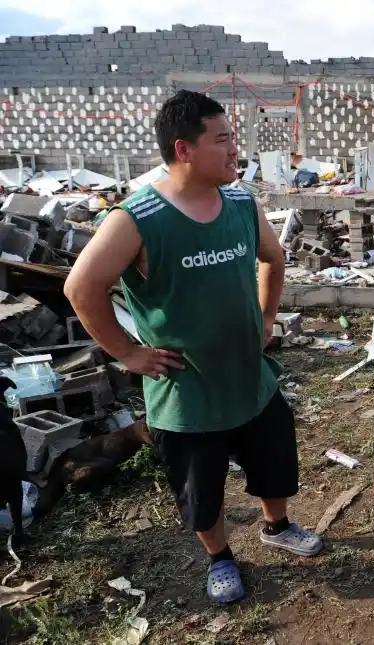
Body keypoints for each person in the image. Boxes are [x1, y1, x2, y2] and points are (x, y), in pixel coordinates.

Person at [64, 90, 322, 604]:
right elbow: (81, 288)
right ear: (183, 150)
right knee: (201, 491)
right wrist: (127, 353)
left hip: (250, 376)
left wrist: (267, 316)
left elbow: (273, 258)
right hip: (187, 392)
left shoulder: (242, 202)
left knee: (274, 460)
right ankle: (220, 557)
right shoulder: (137, 218)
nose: (235, 151)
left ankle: (278, 526)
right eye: (222, 140)